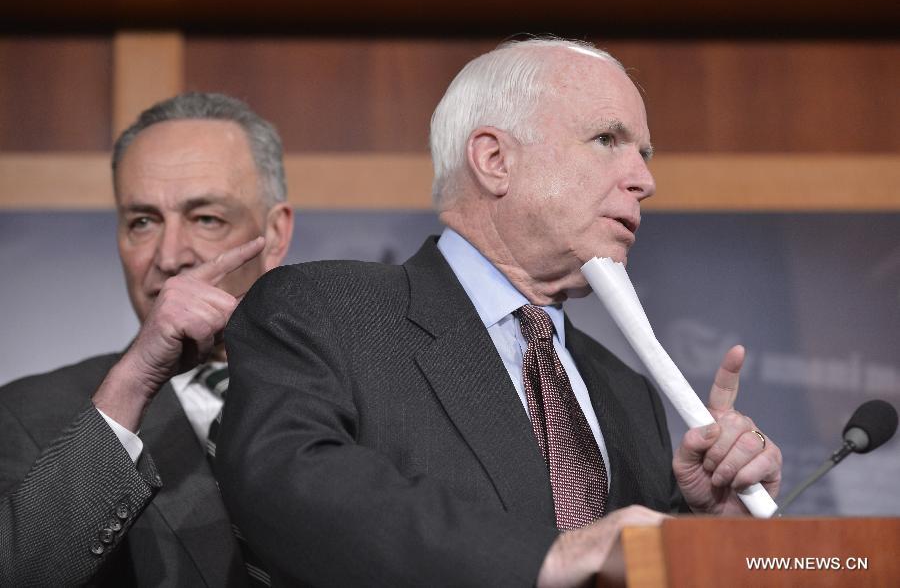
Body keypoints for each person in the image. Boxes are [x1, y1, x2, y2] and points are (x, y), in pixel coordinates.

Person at [217, 39, 783, 587]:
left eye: (644, 153)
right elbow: (289, 486)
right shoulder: (327, 311)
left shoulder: (626, 391)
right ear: (494, 161)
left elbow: (623, 560)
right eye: (608, 138)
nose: (645, 180)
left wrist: (703, 531)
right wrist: (549, 559)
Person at [0, 92, 294, 587]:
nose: (170, 255)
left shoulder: (364, 391)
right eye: (143, 222)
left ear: (275, 233)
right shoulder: (26, 414)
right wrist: (133, 385)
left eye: (206, 218)